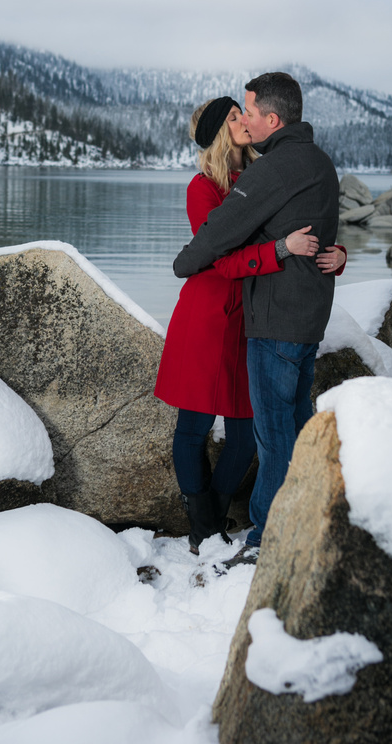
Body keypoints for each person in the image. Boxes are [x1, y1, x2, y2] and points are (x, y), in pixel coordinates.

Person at [156, 94, 345, 556]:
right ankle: (203, 526)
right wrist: (279, 250)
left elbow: (308, 226)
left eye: (246, 114)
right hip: (207, 318)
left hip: (254, 317)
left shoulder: (267, 172)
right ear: (221, 132)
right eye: (235, 117)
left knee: (245, 436)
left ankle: (217, 513)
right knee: (194, 427)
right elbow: (217, 261)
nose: (245, 121)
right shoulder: (203, 188)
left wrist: (338, 258)